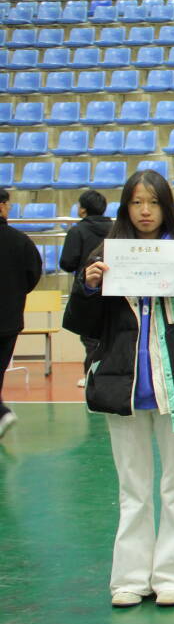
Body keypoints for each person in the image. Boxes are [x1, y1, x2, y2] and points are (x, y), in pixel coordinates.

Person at [62, 170, 174, 607]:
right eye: (136, 202)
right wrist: (89, 288)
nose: (145, 211)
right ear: (125, 207)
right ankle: (130, 578)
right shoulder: (105, 256)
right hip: (124, 387)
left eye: (153, 202)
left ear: (166, 206)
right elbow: (80, 324)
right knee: (132, 489)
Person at [0, 187, 42, 439]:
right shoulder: (20, 241)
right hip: (8, 318)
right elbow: (33, 274)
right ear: (2, 206)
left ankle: (2, 412)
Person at [61, 189, 113, 385]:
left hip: (89, 290)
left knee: (90, 336)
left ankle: (92, 376)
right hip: (115, 289)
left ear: (83, 209)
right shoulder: (116, 229)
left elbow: (67, 262)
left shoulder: (77, 231)